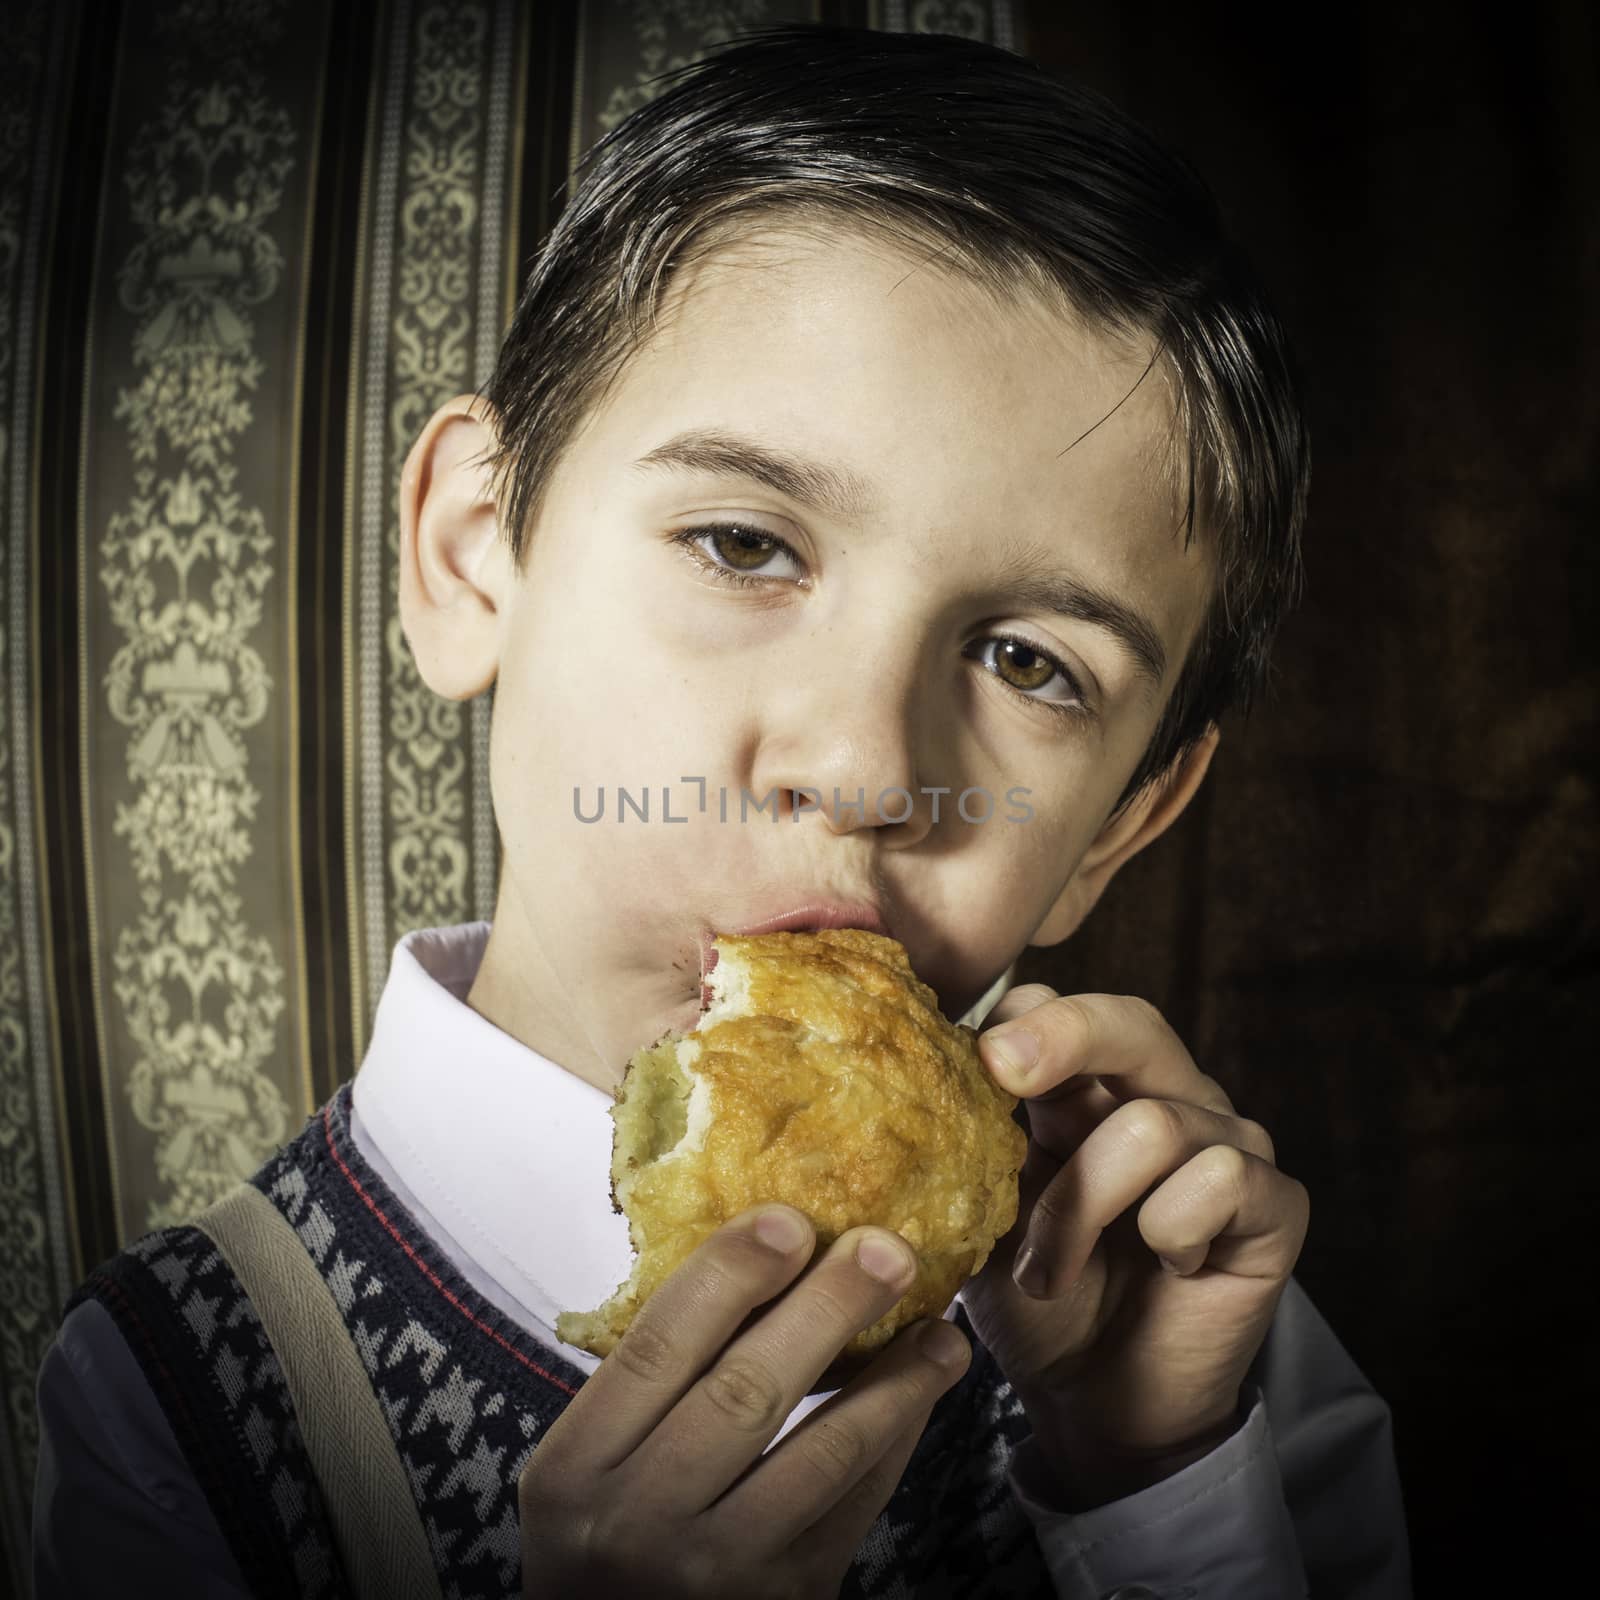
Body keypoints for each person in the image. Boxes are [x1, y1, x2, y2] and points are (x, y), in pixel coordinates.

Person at [32, 22, 1412, 1599]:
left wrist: (1157, 1486)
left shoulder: (1185, 1309)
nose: (865, 767)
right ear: (478, 556)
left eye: (1028, 659)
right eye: (746, 546)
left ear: (1121, 820)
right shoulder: (179, 1399)